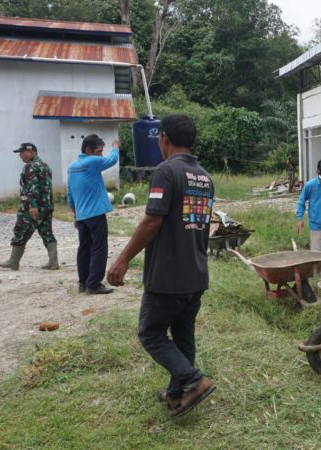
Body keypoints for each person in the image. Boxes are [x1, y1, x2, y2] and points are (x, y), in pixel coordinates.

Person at [107, 115, 216, 418]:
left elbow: (153, 219)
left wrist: (122, 259)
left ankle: (194, 381)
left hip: (168, 275)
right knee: (183, 335)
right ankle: (175, 392)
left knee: (151, 333)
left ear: (164, 138)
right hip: (196, 272)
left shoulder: (166, 172)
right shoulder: (204, 177)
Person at [67, 135, 119, 294]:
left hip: (82, 216)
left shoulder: (72, 166)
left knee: (84, 249)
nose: (101, 155)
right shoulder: (92, 161)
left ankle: (83, 283)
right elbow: (112, 160)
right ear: (88, 150)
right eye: (99, 151)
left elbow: (70, 194)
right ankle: (94, 284)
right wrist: (115, 147)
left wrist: (76, 215)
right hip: (95, 214)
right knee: (99, 248)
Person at [0, 143, 58, 271]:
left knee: (20, 230)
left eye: (22, 152)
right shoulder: (45, 166)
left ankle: (13, 261)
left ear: (31, 152)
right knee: (47, 232)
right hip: (47, 206)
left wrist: (32, 206)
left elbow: (32, 187)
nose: (20, 155)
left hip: (33, 207)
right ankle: (53, 262)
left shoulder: (30, 166)